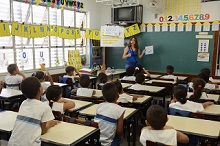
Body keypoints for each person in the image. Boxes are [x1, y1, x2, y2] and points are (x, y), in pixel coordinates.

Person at [8, 77, 59, 146]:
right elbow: (43, 131)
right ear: (40, 90)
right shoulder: (45, 107)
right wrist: (51, 123)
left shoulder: (23, 103)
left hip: (12, 143)